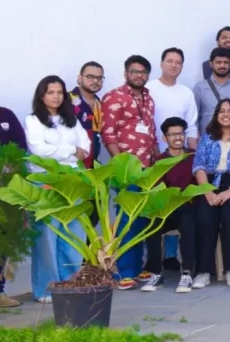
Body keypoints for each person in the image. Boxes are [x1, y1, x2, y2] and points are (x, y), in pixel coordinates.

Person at [23, 75, 91, 302]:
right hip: (46, 180)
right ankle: (46, 289)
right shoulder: (33, 120)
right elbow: (39, 150)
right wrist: (71, 151)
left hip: (73, 181)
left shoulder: (71, 120)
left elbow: (87, 146)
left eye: (59, 92)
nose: (55, 96)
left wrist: (65, 150)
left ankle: (69, 283)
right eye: (50, 92)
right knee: (46, 237)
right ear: (41, 95)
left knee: (73, 235)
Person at [100, 56, 159, 288]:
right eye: (134, 71)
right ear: (126, 73)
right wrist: (120, 162)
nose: (139, 76)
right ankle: (123, 271)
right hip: (126, 169)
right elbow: (108, 133)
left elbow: (151, 131)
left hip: (147, 168)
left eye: (143, 72)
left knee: (141, 219)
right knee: (126, 219)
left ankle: (137, 268)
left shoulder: (148, 98)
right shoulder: (114, 97)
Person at [189, 99, 230, 287]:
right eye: (221, 111)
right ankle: (203, 271)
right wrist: (207, 191)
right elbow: (199, 165)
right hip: (209, 183)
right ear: (216, 114)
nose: (226, 114)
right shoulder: (207, 137)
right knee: (205, 220)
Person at [149, 116, 196, 290]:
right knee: (152, 225)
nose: (178, 138)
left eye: (181, 133)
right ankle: (156, 274)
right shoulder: (160, 161)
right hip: (168, 209)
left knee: (187, 220)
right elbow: (157, 189)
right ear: (165, 138)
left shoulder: (194, 156)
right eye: (172, 134)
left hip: (190, 207)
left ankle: (187, 273)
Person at [145, 48, 198, 151]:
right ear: (161, 64)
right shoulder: (148, 89)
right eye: (170, 61)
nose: (174, 65)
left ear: (182, 67)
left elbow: (191, 128)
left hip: (179, 154)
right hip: (151, 152)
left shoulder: (187, 93)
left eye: (178, 63)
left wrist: (193, 156)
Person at [195, 48, 230, 136]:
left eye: (226, 62)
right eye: (218, 62)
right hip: (207, 141)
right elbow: (194, 119)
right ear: (211, 64)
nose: (222, 65)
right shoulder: (199, 88)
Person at [71, 61, 106, 165]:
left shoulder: (101, 104)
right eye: (90, 77)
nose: (95, 81)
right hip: (70, 163)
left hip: (92, 163)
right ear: (79, 78)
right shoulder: (66, 100)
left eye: (99, 78)